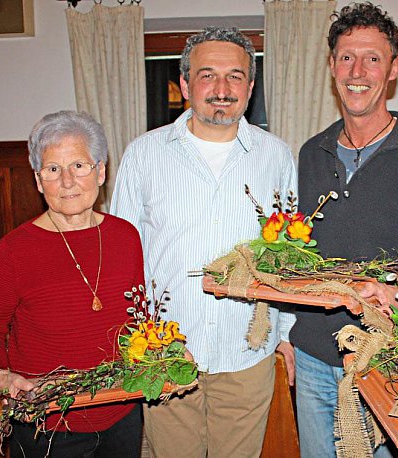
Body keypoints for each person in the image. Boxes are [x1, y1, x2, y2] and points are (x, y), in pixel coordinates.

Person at [289, 3, 398, 456]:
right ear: (331, 67)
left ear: (394, 68)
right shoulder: (312, 154)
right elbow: (298, 254)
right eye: (346, 57)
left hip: (390, 362)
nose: (358, 70)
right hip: (314, 357)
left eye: (373, 57)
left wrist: (393, 291)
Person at [110, 27, 297, 458]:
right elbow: (122, 253)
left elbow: (288, 258)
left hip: (247, 353)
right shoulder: (144, 154)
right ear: (184, 84)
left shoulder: (276, 156)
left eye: (235, 76)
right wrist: (130, 340)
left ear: (250, 87)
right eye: (207, 75)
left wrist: (285, 335)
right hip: (167, 352)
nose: (221, 89)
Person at [0, 110, 145, 458]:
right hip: (47, 423)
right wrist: (2, 376)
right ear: (39, 181)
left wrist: (162, 350)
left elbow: (138, 320)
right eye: (53, 169)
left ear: (101, 171)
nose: (67, 181)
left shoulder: (126, 236)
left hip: (121, 412)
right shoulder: (13, 251)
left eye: (79, 166)